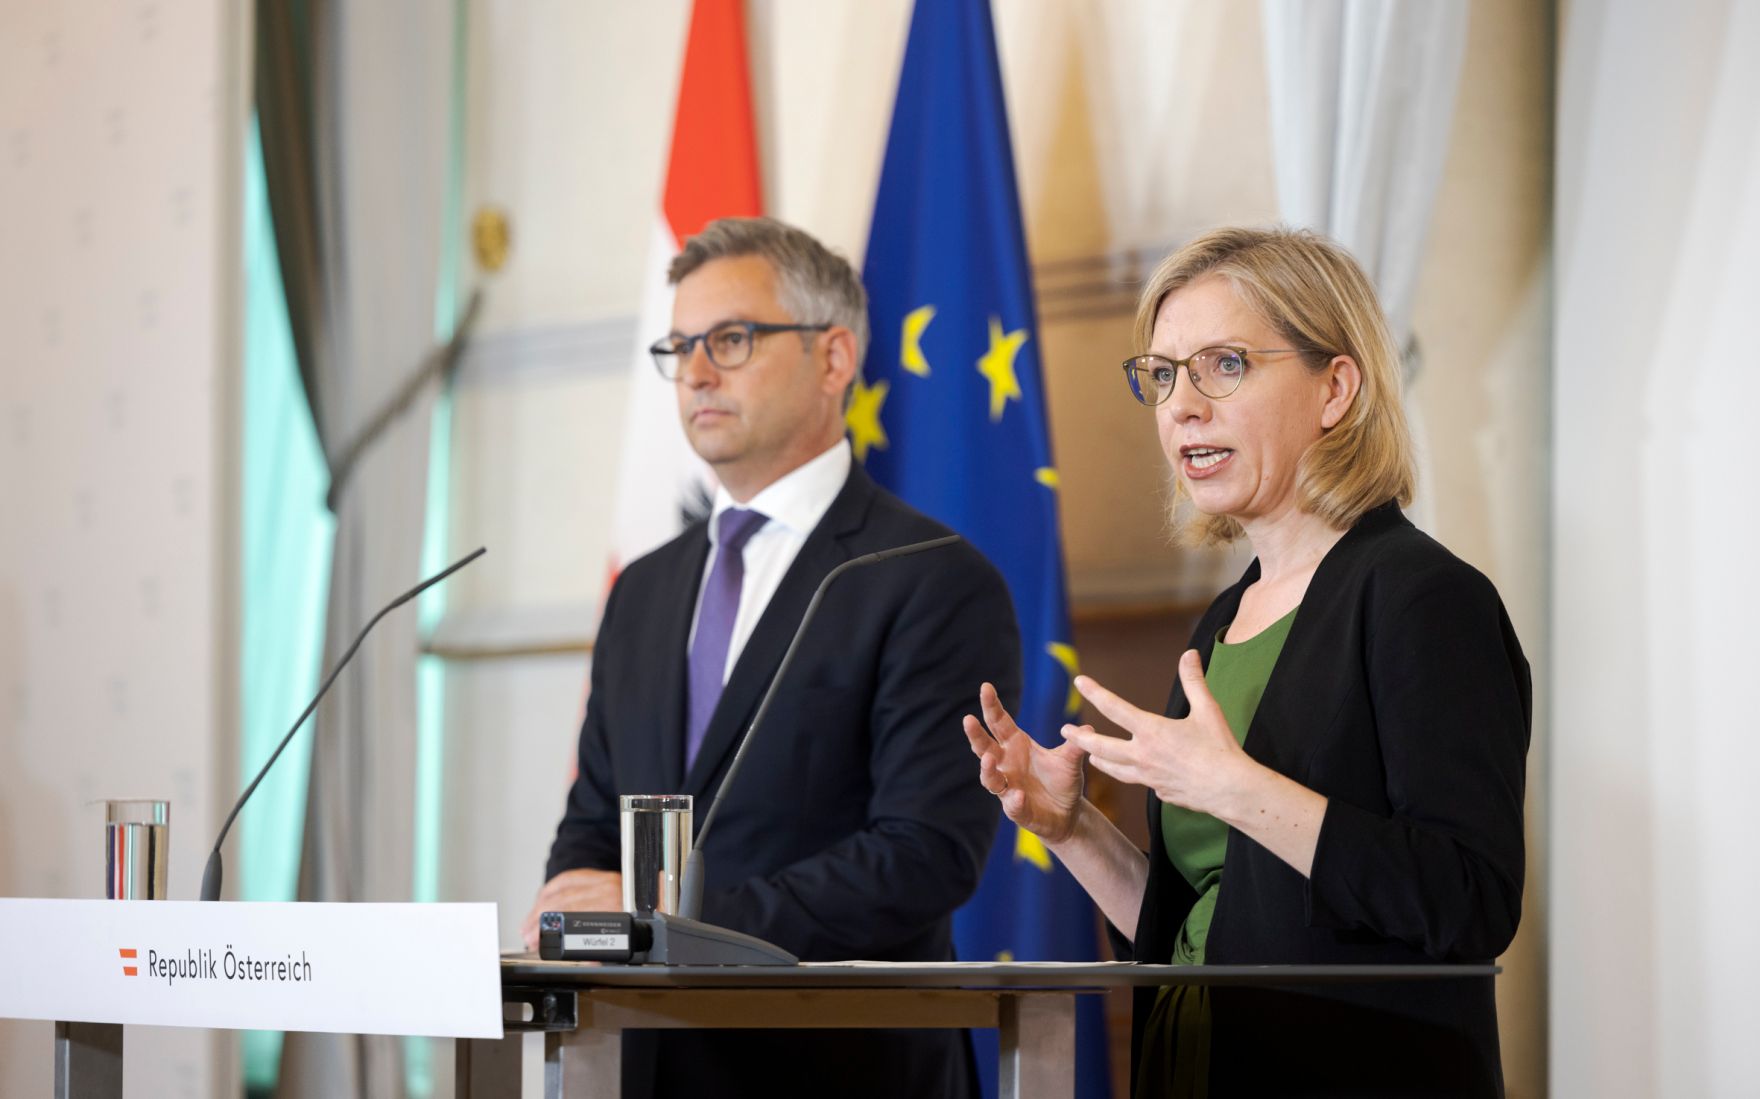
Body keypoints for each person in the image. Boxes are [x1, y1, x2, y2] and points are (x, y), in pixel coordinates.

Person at [964, 226, 1530, 1097]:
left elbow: (1469, 901)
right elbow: (1200, 929)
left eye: (1223, 365)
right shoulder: (1223, 622)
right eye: (1161, 375)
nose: (1181, 406)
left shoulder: (1424, 598)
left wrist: (1237, 788)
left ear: (1335, 387)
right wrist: (1073, 830)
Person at [526, 216, 1022, 1099]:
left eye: (731, 338)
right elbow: (594, 819)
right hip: (635, 1062)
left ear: (833, 359)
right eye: (679, 346)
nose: (697, 373)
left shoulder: (932, 579)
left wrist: (666, 924)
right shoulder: (643, 589)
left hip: (839, 1067)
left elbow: (923, 851)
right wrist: (568, 900)